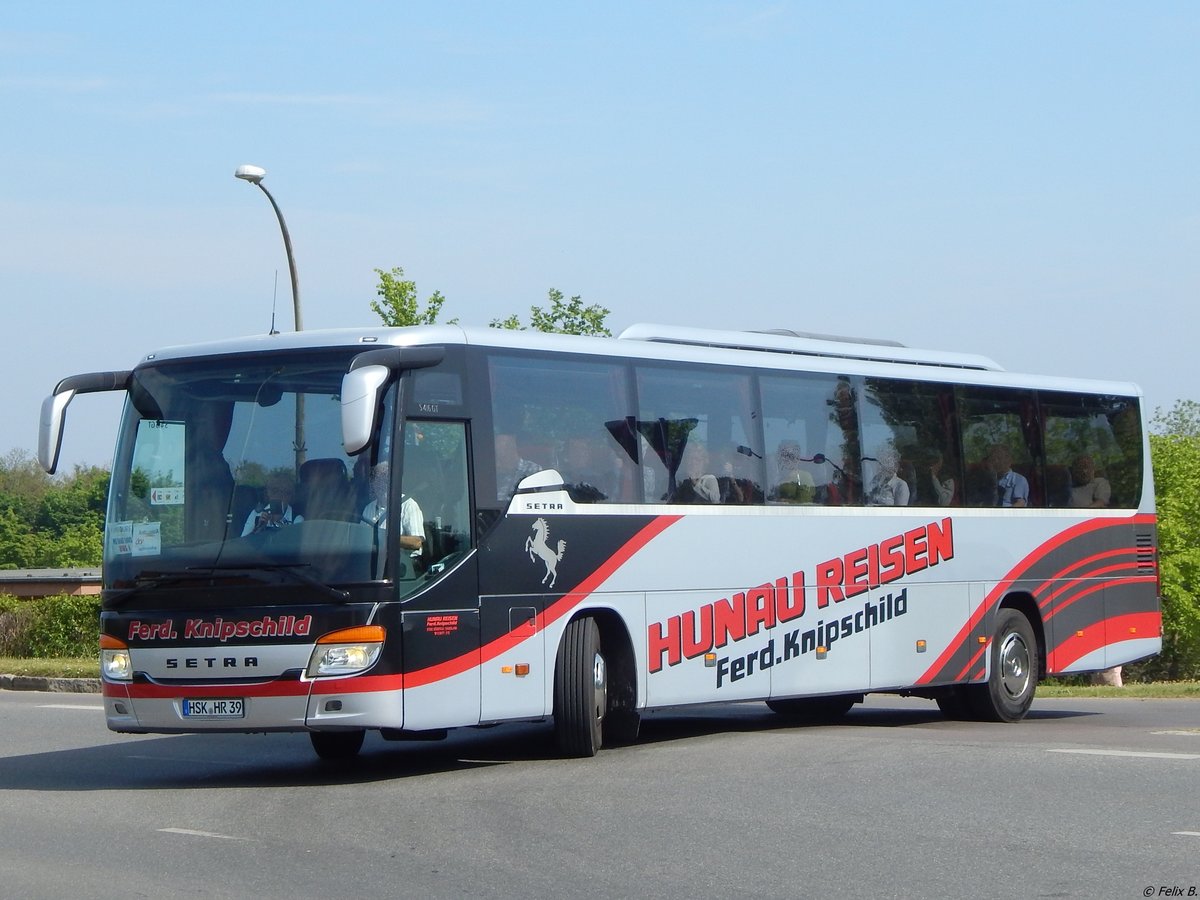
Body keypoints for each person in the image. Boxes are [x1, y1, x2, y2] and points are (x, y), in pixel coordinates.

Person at [361, 463, 424, 554]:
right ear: (373, 483)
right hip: (371, 559)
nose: (382, 484)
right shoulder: (369, 508)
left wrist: (384, 538)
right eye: (378, 480)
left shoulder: (408, 505)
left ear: (394, 482)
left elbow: (416, 542)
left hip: (399, 561)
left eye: (386, 479)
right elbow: (361, 538)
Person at [494, 433, 542, 502]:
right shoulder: (492, 474)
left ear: (513, 448)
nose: (498, 457)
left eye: (502, 450)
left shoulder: (533, 469)